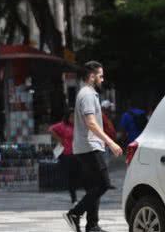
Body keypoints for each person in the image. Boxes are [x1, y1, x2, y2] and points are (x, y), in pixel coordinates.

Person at [63, 61, 123, 232]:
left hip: (85, 146)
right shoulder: (88, 95)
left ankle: (92, 225)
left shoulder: (86, 93)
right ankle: (75, 213)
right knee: (104, 184)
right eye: (100, 76)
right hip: (90, 146)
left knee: (93, 186)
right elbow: (91, 123)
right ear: (91, 76)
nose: (102, 80)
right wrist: (110, 142)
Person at [48, 108, 80, 204]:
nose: (73, 118)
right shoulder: (63, 126)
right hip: (67, 153)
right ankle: (73, 197)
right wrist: (59, 139)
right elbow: (51, 129)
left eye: (74, 116)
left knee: (78, 175)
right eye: (71, 117)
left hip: (78, 152)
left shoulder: (78, 126)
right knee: (71, 176)